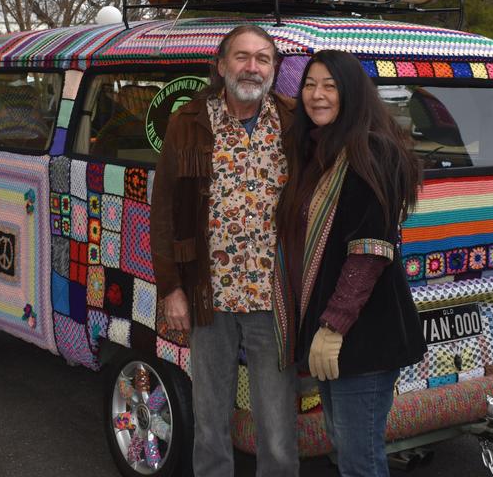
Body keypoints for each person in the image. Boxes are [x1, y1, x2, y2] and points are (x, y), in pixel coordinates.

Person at [150, 24, 299, 477]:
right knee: (211, 421)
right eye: (241, 56)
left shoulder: (294, 123)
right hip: (208, 298)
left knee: (276, 429)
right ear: (221, 65)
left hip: (274, 301)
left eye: (263, 58)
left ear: (273, 68)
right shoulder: (189, 122)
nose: (252, 67)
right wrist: (171, 288)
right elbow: (164, 211)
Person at [273, 50, 426, 477]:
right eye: (309, 84)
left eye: (330, 86)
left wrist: (333, 326)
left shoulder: (372, 152)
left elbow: (370, 249)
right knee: (344, 448)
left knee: (360, 459)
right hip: (333, 330)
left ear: (353, 94)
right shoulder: (317, 151)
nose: (316, 95)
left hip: (363, 336)